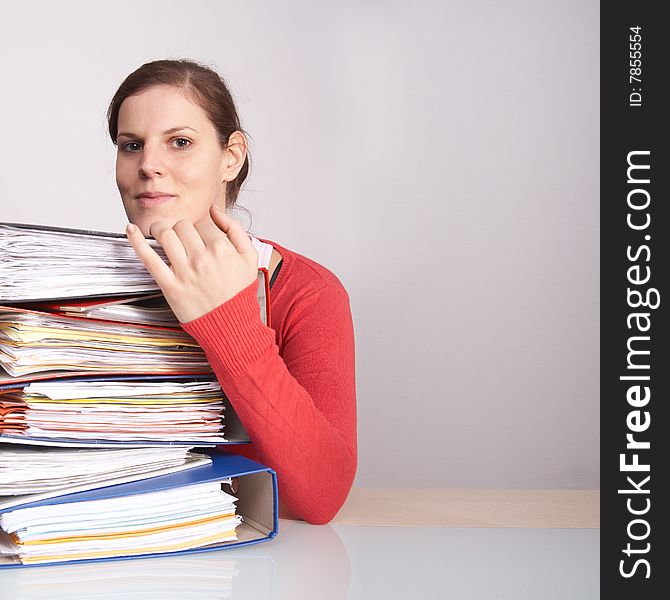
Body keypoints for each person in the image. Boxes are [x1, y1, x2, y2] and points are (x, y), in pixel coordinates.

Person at [106, 59, 357, 525]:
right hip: (95, 549)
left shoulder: (306, 292)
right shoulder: (61, 286)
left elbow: (320, 498)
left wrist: (228, 322)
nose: (149, 166)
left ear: (231, 156)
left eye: (179, 143)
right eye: (131, 145)